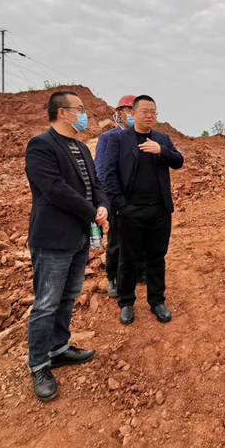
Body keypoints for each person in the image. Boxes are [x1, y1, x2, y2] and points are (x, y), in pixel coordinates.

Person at [24, 90, 109, 402]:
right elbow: (54, 189)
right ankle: (39, 364)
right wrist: (92, 212)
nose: (84, 115)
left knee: (69, 295)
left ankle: (58, 349)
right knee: (47, 302)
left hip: (79, 236)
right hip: (53, 237)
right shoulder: (41, 146)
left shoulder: (81, 147)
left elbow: (95, 183)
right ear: (63, 112)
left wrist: (103, 206)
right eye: (80, 109)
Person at [102, 95, 184, 325]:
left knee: (156, 258)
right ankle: (126, 303)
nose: (149, 115)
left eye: (153, 112)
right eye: (145, 111)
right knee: (127, 259)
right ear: (133, 114)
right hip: (130, 212)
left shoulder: (162, 139)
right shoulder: (118, 139)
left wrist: (161, 151)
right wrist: (121, 206)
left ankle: (157, 301)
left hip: (159, 211)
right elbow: (109, 174)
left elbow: (178, 161)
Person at [95, 94, 139, 298]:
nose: (133, 115)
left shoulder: (142, 138)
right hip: (117, 199)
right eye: (130, 111)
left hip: (137, 199)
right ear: (120, 113)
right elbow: (101, 171)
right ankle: (113, 277)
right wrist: (110, 198)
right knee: (116, 241)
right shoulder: (108, 138)